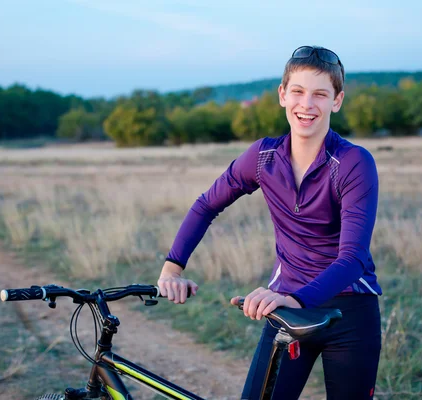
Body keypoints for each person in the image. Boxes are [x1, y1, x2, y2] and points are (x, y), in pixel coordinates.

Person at [158, 45, 382, 400]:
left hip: (349, 312)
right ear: (282, 95)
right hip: (285, 311)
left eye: (320, 94)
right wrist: (172, 267)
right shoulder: (262, 158)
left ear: (336, 101)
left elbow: (352, 258)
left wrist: (294, 298)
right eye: (298, 91)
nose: (306, 105)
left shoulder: (353, 162)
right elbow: (205, 205)